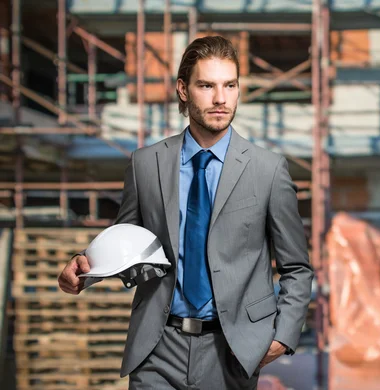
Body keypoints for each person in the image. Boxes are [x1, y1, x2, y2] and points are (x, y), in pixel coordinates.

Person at [58, 35, 314, 390]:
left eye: (230, 85)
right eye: (207, 85)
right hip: (158, 346)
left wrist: (283, 334)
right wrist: (85, 268)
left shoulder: (267, 171)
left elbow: (297, 267)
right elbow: (127, 241)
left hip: (232, 349)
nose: (221, 98)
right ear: (183, 89)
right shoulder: (146, 164)